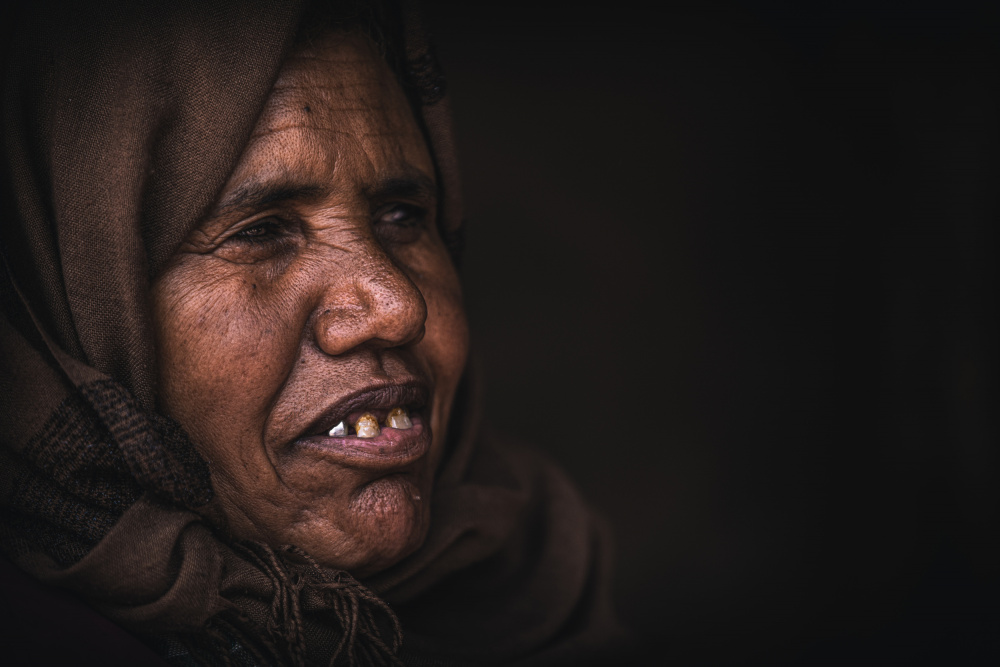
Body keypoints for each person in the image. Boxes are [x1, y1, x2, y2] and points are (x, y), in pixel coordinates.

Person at [0, 0, 632, 665]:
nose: (397, 306)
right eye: (260, 231)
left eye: (402, 215)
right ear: (73, 301)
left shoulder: (532, 575)